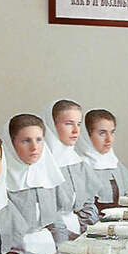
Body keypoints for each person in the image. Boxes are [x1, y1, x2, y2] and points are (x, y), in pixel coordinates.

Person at [2, 113, 69, 254]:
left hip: (50, 251)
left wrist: (64, 250)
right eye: (26, 141)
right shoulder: (1, 183)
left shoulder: (46, 176)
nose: (34, 147)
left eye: (39, 140)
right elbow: (4, 236)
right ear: (11, 144)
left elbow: (56, 221)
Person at [42, 99, 100, 238]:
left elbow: (88, 203)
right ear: (52, 125)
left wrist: (88, 232)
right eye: (68, 124)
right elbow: (49, 216)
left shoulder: (77, 161)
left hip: (80, 233)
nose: (75, 130)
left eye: (78, 124)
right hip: (55, 239)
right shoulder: (42, 165)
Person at [76, 108, 128, 209]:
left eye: (112, 132)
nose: (109, 139)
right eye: (102, 133)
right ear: (87, 135)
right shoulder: (80, 167)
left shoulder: (114, 163)